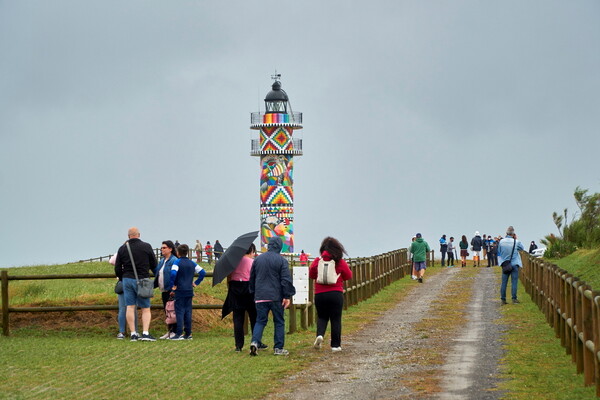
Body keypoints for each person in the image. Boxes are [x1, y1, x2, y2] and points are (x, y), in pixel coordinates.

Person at [249, 237, 296, 356]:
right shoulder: (282, 261)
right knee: (279, 321)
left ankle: (255, 342)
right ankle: (278, 348)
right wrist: (287, 296)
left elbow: (252, 278)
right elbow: (285, 280)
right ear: (279, 246)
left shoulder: (258, 260)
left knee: (260, 321)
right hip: (276, 296)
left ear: (269, 245)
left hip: (260, 296)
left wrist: (253, 292)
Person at [309, 237, 353, 352]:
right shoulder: (340, 262)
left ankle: (320, 335)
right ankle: (335, 345)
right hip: (335, 293)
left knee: (322, 316)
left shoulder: (317, 261)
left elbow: (311, 274)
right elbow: (348, 276)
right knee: (335, 319)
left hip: (320, 294)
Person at [114, 227, 157, 341]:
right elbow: (154, 263)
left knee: (130, 306)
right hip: (143, 279)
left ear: (128, 236)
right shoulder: (146, 246)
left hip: (127, 279)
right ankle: (145, 333)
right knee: (145, 308)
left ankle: (133, 333)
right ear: (139, 235)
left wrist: (122, 278)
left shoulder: (122, 248)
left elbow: (117, 267)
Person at [224, 243, 261, 352]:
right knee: (254, 316)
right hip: (249, 289)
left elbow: (229, 277)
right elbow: (255, 277)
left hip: (235, 289)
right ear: (251, 251)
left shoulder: (233, 262)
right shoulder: (252, 262)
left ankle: (238, 345)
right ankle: (255, 341)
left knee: (238, 318)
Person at [168, 244, 206, 340]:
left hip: (180, 290)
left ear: (177, 252)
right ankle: (188, 333)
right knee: (188, 312)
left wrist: (173, 285)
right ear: (187, 252)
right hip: (189, 289)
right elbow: (202, 272)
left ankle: (179, 333)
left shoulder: (177, 262)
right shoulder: (192, 263)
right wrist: (196, 282)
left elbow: (173, 273)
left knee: (180, 312)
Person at [109, 249, 137, 339]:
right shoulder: (136, 252)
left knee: (122, 308)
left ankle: (122, 332)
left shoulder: (121, 252)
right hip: (133, 280)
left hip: (123, 280)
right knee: (133, 308)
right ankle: (135, 331)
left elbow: (111, 261)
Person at [154, 240, 179, 339]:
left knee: (173, 310)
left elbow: (176, 274)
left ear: (170, 249)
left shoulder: (174, 260)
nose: (162, 249)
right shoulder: (161, 261)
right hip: (163, 289)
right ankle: (169, 331)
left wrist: (174, 287)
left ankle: (175, 331)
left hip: (171, 289)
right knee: (167, 311)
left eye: (164, 248)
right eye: (161, 248)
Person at [498, 226, 525, 305]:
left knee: (504, 282)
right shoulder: (516, 242)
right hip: (514, 264)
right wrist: (516, 239)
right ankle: (514, 298)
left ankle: (503, 299)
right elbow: (522, 248)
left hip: (505, 264)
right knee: (514, 282)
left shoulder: (501, 242)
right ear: (513, 234)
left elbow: (499, 251)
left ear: (506, 233)